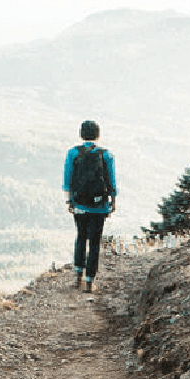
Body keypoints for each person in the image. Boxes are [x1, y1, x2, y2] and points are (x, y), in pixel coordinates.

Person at [63, 120, 117, 293]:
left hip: (79, 204)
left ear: (81, 134)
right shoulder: (106, 155)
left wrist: (69, 201)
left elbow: (67, 180)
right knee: (95, 242)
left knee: (81, 237)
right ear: (98, 135)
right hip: (99, 205)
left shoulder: (73, 153)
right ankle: (89, 281)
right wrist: (112, 201)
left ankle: (77, 275)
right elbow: (112, 182)